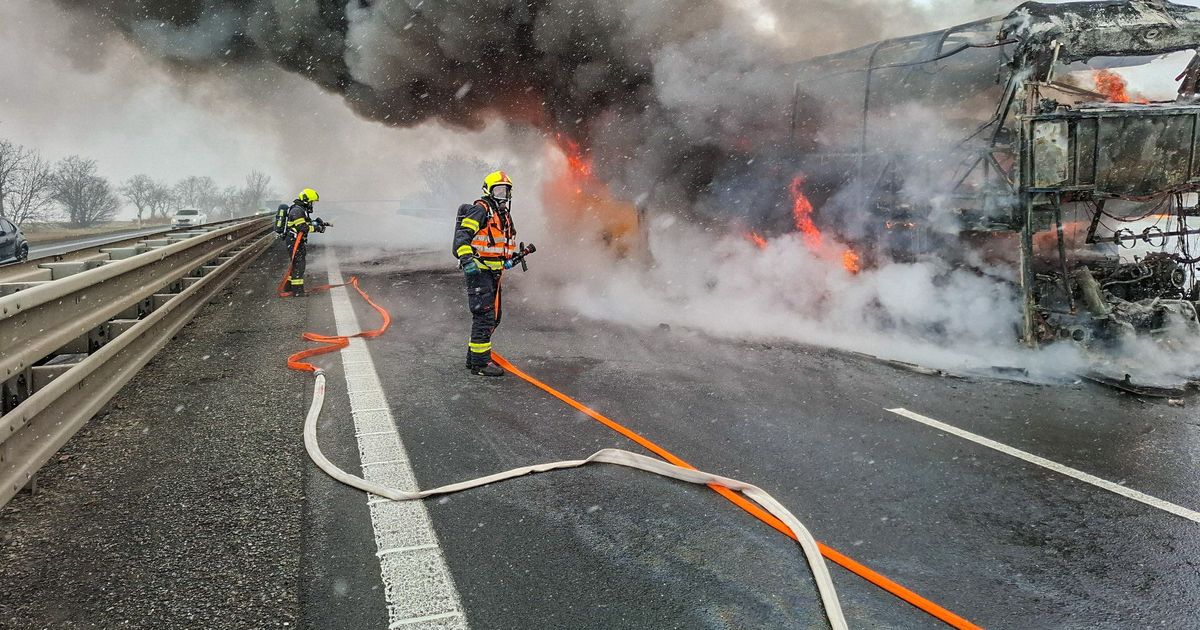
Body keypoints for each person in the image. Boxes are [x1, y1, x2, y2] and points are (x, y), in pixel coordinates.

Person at [452, 171, 518, 376]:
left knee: (493, 317)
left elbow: (500, 245)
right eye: (498, 190)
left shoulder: (504, 216)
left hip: (493, 273)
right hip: (479, 271)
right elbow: (462, 239)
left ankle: (474, 359)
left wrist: (510, 258)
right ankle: (481, 365)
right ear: (488, 190)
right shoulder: (481, 210)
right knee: (484, 316)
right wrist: (467, 260)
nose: (503, 195)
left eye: (506, 191)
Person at [283, 188, 328, 297]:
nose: (312, 204)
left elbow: (306, 223)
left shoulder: (300, 209)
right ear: (306, 200)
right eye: (312, 201)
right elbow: (303, 228)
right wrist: (318, 229)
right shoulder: (298, 211)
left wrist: (319, 223)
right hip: (295, 241)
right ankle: (297, 291)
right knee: (299, 265)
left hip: (296, 241)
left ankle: (289, 287)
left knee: (296, 264)